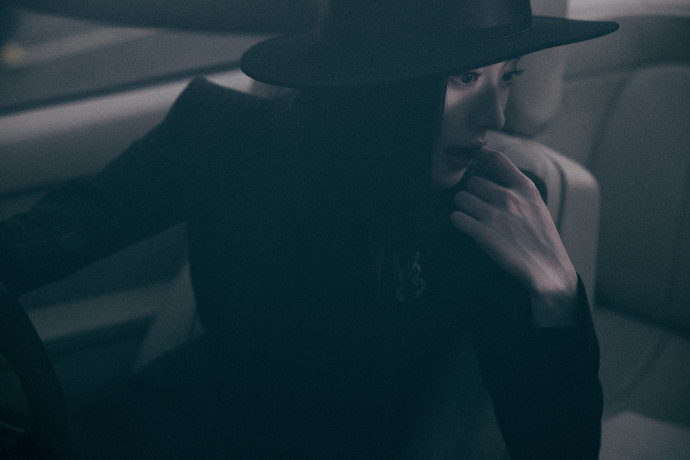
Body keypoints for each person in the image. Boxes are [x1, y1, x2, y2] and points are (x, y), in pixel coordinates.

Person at [0, 0, 618, 458]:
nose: (495, 115)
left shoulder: (495, 208)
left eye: (507, 75)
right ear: (381, 81)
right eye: (465, 77)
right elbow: (42, 241)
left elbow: (558, 449)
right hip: (146, 429)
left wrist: (558, 296)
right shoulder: (218, 132)